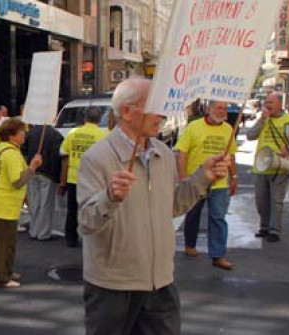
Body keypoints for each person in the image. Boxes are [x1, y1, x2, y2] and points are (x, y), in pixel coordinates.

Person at [78, 78, 230, 334]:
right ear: (126, 112)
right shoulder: (97, 157)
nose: (162, 113)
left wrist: (203, 176)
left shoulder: (163, 153)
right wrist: (109, 197)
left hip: (160, 282)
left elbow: (173, 205)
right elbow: (85, 221)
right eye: (154, 105)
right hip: (113, 285)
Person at [176, 100, 238, 270]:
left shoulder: (228, 129)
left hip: (219, 183)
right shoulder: (194, 127)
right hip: (196, 182)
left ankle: (218, 255)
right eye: (219, 108)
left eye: (225, 109)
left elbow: (231, 155)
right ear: (209, 109)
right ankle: (190, 244)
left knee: (218, 217)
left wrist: (234, 176)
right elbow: (182, 153)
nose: (222, 111)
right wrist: (183, 178)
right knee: (193, 214)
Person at [0, 119, 43, 288]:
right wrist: (32, 167)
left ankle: (6, 271)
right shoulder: (11, 153)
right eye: (21, 132)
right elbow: (17, 181)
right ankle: (2, 277)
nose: (24, 134)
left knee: (6, 241)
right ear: (11, 135)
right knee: (6, 243)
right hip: (5, 204)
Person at [247, 92, 289, 242]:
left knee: (276, 200)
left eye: (270, 102)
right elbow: (251, 135)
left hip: (280, 166)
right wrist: (262, 121)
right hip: (261, 165)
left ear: (279, 104)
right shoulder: (264, 119)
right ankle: (263, 227)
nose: (267, 104)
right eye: (266, 102)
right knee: (261, 200)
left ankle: (275, 230)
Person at [60, 107, 108, 248]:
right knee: (93, 210)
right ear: (99, 119)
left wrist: (63, 182)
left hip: (74, 178)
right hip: (93, 179)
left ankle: (70, 238)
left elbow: (63, 154)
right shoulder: (102, 136)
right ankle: (91, 238)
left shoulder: (73, 133)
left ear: (85, 118)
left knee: (72, 210)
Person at [22, 120, 64, 241]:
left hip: (32, 171)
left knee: (34, 202)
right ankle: (43, 232)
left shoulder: (31, 133)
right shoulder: (56, 135)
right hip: (49, 172)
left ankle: (33, 230)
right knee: (46, 204)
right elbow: (59, 156)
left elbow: (23, 151)